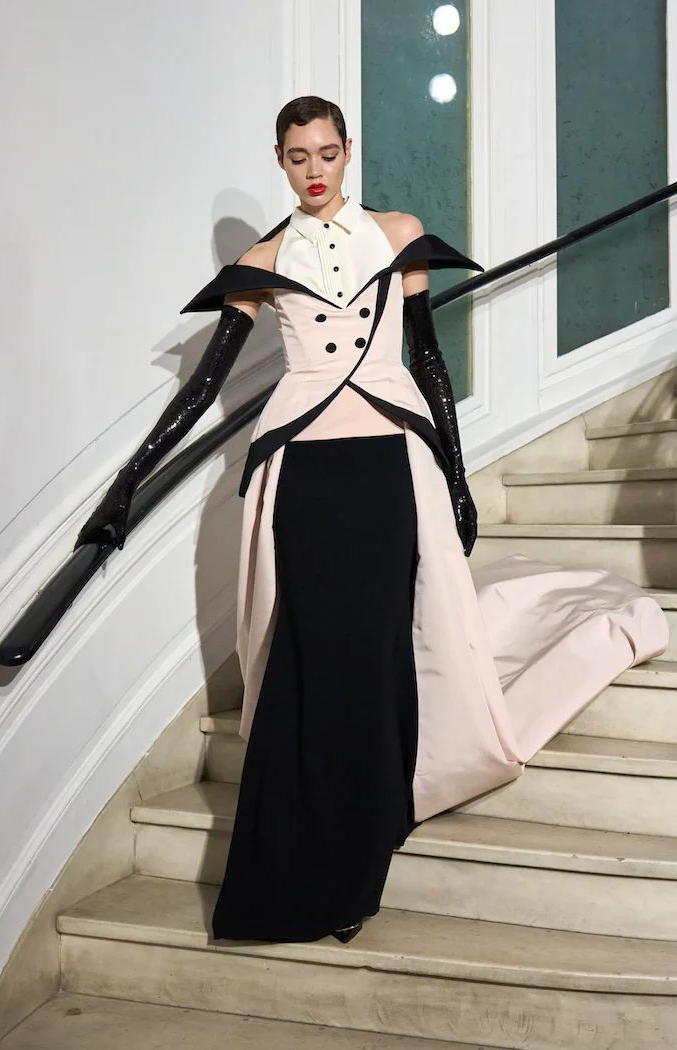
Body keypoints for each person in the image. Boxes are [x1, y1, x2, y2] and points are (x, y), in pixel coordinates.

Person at [74, 96, 669, 945]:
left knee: (379, 653)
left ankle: (362, 848)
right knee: (312, 666)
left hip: (388, 467)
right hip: (305, 474)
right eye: (295, 156)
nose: (313, 170)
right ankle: (296, 875)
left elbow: (427, 358)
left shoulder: (396, 234)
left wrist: (457, 479)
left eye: (325, 152)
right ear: (278, 161)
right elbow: (205, 387)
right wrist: (127, 483)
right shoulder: (265, 258)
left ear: (348, 151)